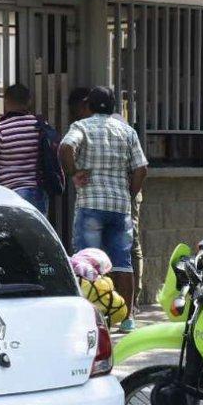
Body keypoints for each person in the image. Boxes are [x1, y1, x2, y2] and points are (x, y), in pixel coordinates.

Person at [59, 85, 148, 318]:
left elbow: (66, 146)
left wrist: (74, 172)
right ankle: (127, 318)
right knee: (122, 263)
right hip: (119, 207)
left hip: (90, 205)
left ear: (88, 105)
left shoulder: (81, 126)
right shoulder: (127, 131)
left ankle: (89, 316)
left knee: (87, 263)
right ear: (113, 107)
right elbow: (141, 167)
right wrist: (130, 192)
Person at [0, 83, 46, 212]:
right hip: (38, 193)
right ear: (29, 101)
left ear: (6, 101)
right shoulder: (41, 126)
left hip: (10, 195)